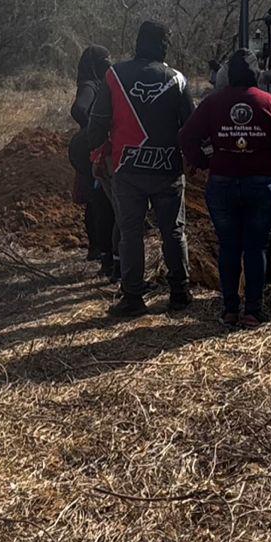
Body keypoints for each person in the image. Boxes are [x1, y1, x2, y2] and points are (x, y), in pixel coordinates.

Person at [178, 48, 271, 328]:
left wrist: (203, 161)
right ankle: (253, 310)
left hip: (222, 183)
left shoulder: (212, 103)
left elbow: (186, 136)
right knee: (256, 247)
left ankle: (230, 310)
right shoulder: (269, 102)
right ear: (256, 74)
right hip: (263, 184)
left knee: (229, 247)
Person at [86, 19, 194, 319]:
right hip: (167, 169)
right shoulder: (177, 78)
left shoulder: (114, 75)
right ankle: (180, 294)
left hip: (127, 168)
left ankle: (132, 297)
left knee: (131, 233)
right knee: (173, 231)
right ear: (162, 45)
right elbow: (191, 125)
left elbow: (97, 124)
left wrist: (98, 153)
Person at [69, 45, 115, 275]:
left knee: (95, 199)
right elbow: (78, 109)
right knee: (101, 201)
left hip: (88, 147)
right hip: (90, 148)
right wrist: (93, 129)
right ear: (95, 66)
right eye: (105, 62)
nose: (109, 65)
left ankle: (96, 247)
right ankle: (102, 251)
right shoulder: (90, 86)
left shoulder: (99, 84)